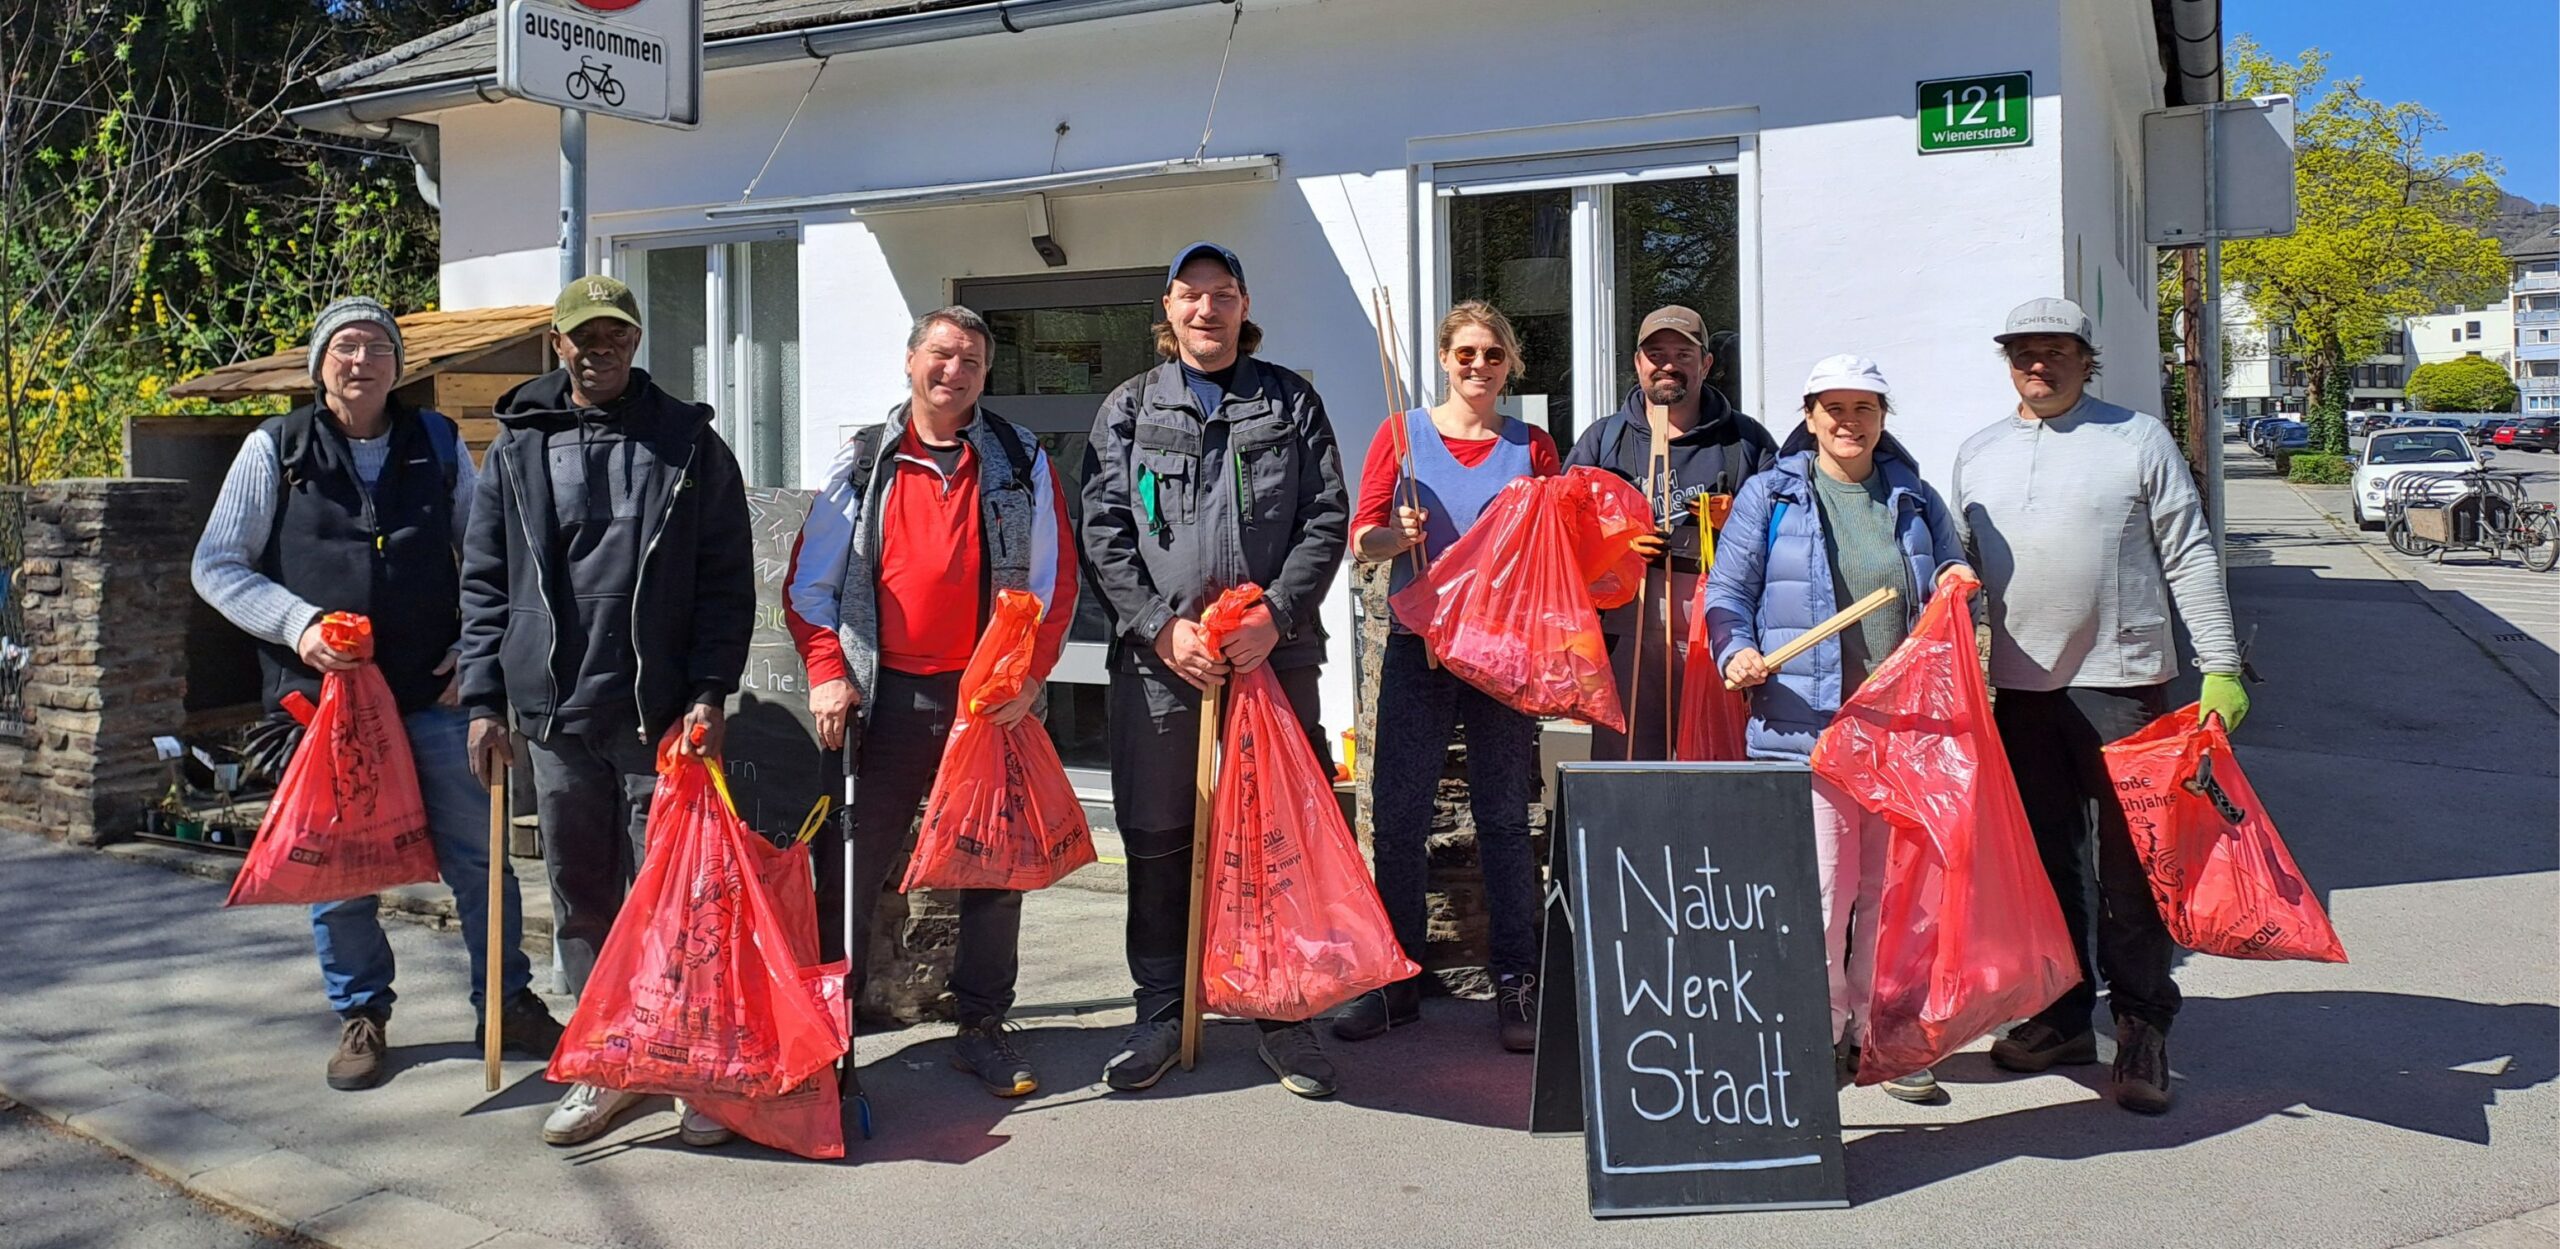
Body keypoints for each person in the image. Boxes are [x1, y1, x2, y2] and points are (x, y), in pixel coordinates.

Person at [192, 297, 561, 1094]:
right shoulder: (275, 448)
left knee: (480, 858)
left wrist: (477, 648)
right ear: (319, 364)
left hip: (434, 691)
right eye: (345, 347)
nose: (361, 361)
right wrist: (299, 627)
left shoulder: (436, 441)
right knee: (342, 872)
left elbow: (489, 555)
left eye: (376, 348)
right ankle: (361, 1012)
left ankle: (507, 1002)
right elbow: (216, 565)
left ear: (399, 366)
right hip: (325, 706)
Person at [457, 276, 755, 1147]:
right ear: (558, 343)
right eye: (584, 336)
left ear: (635, 341)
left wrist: (709, 690)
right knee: (582, 900)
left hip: (658, 718)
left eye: (615, 335)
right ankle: (608, 1061)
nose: (600, 350)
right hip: (555, 717)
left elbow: (725, 583)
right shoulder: (516, 444)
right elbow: (483, 581)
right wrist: (483, 698)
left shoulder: (688, 443)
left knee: (675, 902)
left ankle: (683, 1059)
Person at [1952, 298, 2248, 1116]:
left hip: (2123, 684)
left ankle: (2143, 1025)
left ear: (2087, 360)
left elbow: (2189, 552)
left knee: (2134, 868)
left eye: (2056, 351)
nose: (2038, 364)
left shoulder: (2137, 439)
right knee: (2046, 867)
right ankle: (2059, 1017)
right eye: (2023, 352)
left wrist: (2221, 664)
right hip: (2020, 692)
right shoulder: (1977, 453)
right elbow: (1958, 573)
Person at [783, 306, 1079, 1099]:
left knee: (994, 871)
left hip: (986, 700)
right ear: (911, 361)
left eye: (972, 361)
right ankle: (827, 1032)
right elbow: (808, 585)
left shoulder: (1019, 458)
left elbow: (1053, 581)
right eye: (942, 355)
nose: (955, 371)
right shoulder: (864, 461)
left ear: (986, 374)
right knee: (848, 865)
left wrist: (1028, 675)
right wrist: (827, 670)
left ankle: (982, 1025)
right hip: (884, 699)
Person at [1081, 241, 1350, 1097]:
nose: (1207, 308)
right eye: (1190, 294)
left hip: (1272, 655)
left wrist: (1275, 614)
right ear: (1167, 308)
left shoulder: (1289, 401)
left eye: (1222, 293)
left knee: (1276, 837)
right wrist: (1160, 629)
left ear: (1244, 305)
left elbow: (1326, 516)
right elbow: (1104, 530)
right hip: (1164, 667)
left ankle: (1285, 1012)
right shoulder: (1129, 408)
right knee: (1159, 834)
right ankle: (1162, 1010)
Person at [1703, 354, 1970, 1105]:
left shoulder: (1913, 497)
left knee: (1891, 894)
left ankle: (1881, 1033)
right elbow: (1728, 593)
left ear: (1882, 417)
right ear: (1810, 415)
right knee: (1823, 891)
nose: (1849, 422)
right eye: (1835, 408)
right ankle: (1817, 1034)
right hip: (1808, 728)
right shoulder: (1772, 493)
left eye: (1864, 408)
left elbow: (1948, 575)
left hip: (1899, 726)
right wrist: (1735, 649)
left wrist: (1956, 582)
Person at [1333, 300, 1559, 1053]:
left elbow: (1552, 546)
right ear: (1443, 358)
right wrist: (1397, 537)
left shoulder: (1532, 446)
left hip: (1499, 655)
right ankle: (1395, 981)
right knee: (1399, 819)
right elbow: (1361, 539)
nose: (1479, 366)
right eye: (1466, 353)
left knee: (1504, 820)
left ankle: (1516, 981)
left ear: (1510, 363)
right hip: (1418, 645)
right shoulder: (1401, 435)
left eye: (1492, 354)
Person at [1564, 305, 1777, 760]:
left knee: (1716, 766)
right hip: (1626, 635)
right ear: (1637, 362)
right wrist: (1617, 547)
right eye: (1656, 353)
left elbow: (1784, 537)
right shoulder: (1605, 440)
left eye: (1683, 354)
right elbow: (1564, 536)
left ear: (1706, 364)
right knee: (1629, 769)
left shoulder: (1745, 441)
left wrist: (1736, 523)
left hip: (1717, 633)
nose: (1668, 365)